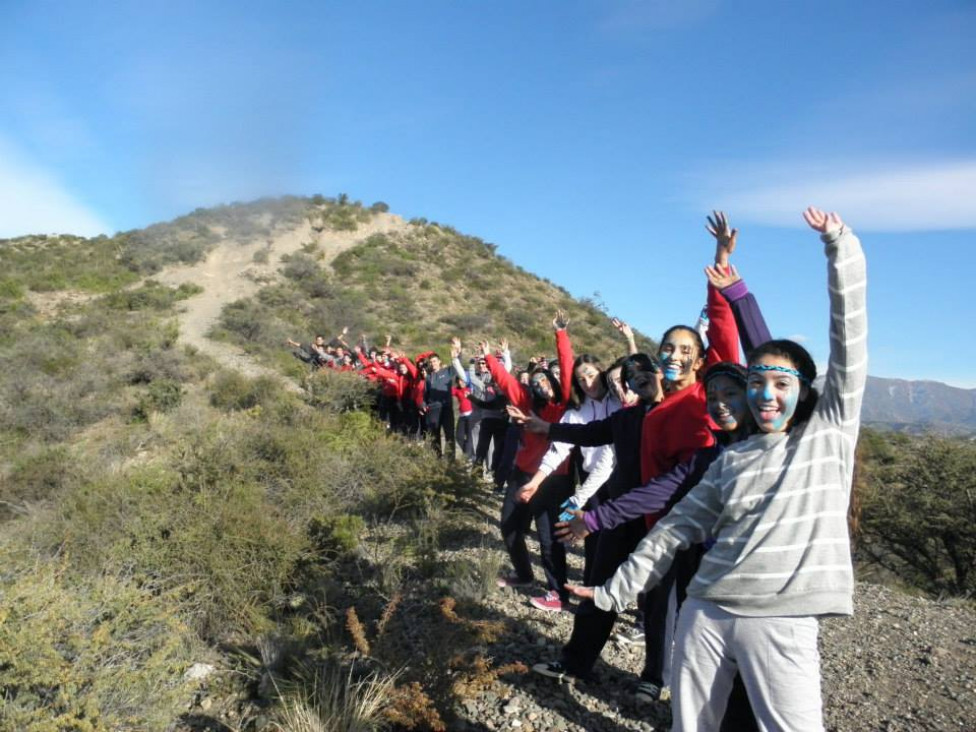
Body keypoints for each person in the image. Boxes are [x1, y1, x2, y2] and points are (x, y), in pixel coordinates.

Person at [569, 207, 867, 731]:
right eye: (757, 383)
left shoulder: (827, 434)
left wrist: (838, 246)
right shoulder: (730, 459)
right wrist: (615, 590)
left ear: (804, 391)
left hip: (779, 619)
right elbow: (677, 527)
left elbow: (848, 337)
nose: (765, 394)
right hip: (705, 609)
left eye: (780, 383)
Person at [511, 350, 621, 606]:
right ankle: (593, 599)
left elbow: (608, 461)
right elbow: (558, 449)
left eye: (592, 375)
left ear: (602, 373)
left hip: (619, 481)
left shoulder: (619, 403)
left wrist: (576, 499)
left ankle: (622, 601)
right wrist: (535, 481)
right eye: (581, 379)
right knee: (593, 542)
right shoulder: (577, 411)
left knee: (618, 543)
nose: (588, 383)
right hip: (592, 483)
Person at [483, 311, 575, 611]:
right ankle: (524, 574)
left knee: (549, 541)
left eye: (546, 381)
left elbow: (568, 367)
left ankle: (557, 594)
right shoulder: (525, 402)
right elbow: (506, 381)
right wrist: (489, 358)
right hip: (522, 475)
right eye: (536, 382)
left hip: (553, 482)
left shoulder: (563, 407)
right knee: (509, 529)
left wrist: (560, 335)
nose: (541, 385)